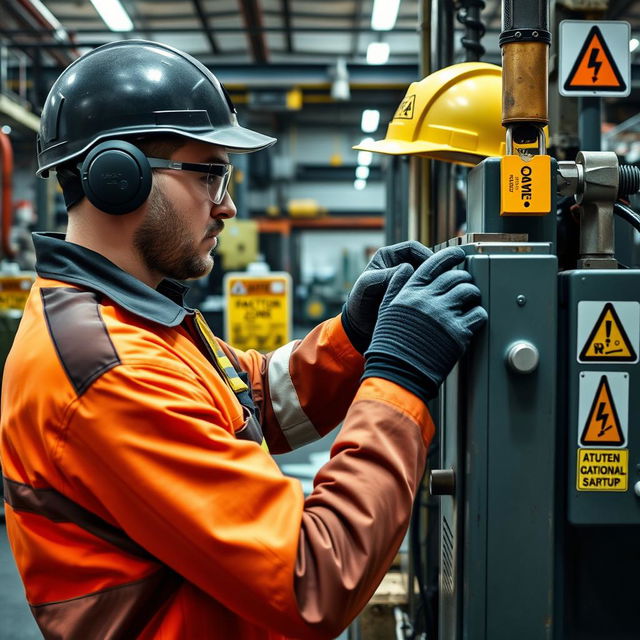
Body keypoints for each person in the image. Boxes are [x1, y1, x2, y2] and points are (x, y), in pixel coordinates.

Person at [0, 40, 487, 639]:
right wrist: (399, 377)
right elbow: (316, 577)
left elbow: (250, 401)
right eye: (210, 175)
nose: (227, 206)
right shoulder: (108, 370)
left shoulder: (131, 316)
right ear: (117, 176)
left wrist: (354, 339)